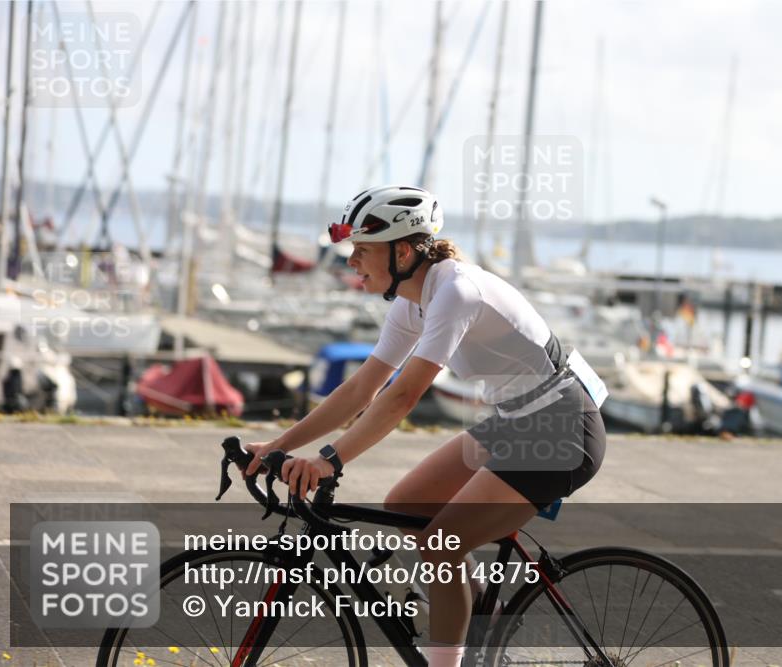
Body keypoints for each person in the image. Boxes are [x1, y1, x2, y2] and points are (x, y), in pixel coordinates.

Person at [243, 185, 607, 667]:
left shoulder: (456, 291)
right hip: (515, 422)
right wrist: (278, 444)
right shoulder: (411, 302)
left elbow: (402, 396)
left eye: (362, 250)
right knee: (406, 504)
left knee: (440, 548)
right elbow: (360, 391)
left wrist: (330, 460)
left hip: (562, 429)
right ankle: (483, 620)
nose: (352, 262)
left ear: (403, 251)